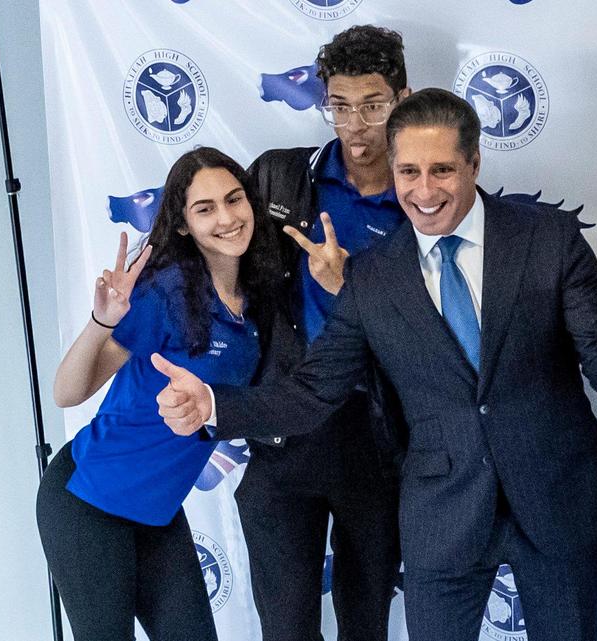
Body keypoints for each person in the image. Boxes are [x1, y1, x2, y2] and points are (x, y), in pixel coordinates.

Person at [150, 88, 597, 641]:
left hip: (555, 494)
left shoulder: (548, 237)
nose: (424, 190)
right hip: (444, 511)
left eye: (442, 169)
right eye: (409, 171)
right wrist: (213, 403)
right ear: (392, 170)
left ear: (475, 163)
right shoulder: (371, 276)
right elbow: (313, 391)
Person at [36, 147, 281, 641]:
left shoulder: (262, 296)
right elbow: (67, 393)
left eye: (235, 200)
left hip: (157, 513)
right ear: (185, 224)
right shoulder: (165, 293)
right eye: (205, 208)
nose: (227, 218)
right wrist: (102, 321)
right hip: (87, 501)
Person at [238, 25, 410, 641]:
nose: (355, 124)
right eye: (339, 106)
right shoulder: (279, 178)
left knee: (366, 625)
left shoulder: (425, 195)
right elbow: (207, 247)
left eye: (372, 106)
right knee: (286, 628)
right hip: (286, 428)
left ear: (402, 98)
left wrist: (350, 291)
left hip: (379, 436)